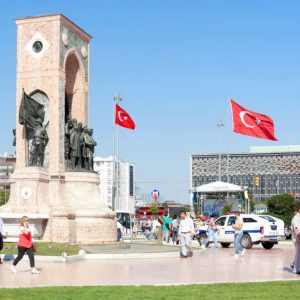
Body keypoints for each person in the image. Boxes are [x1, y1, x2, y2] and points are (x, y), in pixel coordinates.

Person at [291, 207, 300, 274]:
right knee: (298, 254)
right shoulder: (296, 218)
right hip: (297, 238)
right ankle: (296, 269)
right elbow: (295, 229)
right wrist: (298, 238)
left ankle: (294, 265)